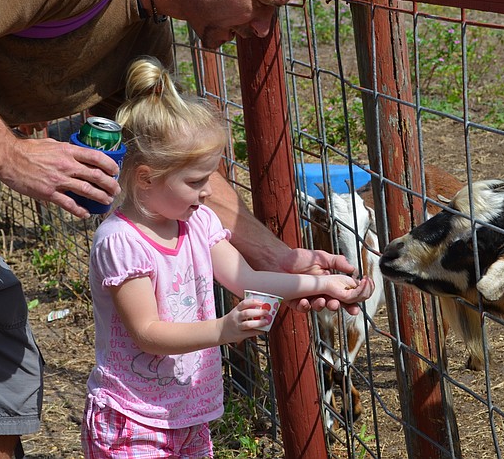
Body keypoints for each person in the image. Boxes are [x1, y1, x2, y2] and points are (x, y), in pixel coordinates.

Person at [0, 0, 373, 457]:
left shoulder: (143, 36)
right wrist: (9, 153)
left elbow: (184, 170)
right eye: (262, 4)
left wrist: (276, 258)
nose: (260, 27)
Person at [82, 56, 366, 458]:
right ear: (146, 177)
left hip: (189, 413)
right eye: (196, 181)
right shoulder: (121, 242)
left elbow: (246, 278)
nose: (205, 192)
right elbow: (147, 332)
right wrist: (224, 329)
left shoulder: (197, 224)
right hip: (134, 417)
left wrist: (324, 283)